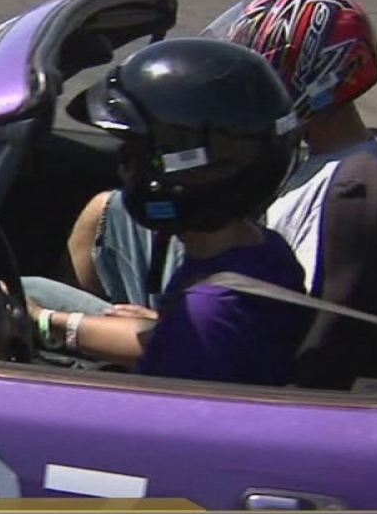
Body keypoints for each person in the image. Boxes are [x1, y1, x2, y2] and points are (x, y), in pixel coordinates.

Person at [23, 0, 377, 320]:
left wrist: (161, 325)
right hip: (228, 284)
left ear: (306, 76)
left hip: (228, 316)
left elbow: (285, 312)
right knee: (109, 209)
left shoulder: (333, 192)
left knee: (27, 293)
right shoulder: (327, 158)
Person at [23, 37, 312, 386]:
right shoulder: (261, 251)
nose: (124, 169)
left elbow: (163, 424)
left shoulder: (212, 314)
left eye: (134, 155)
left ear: (183, 174)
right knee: (34, 290)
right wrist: (167, 327)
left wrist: (41, 321)